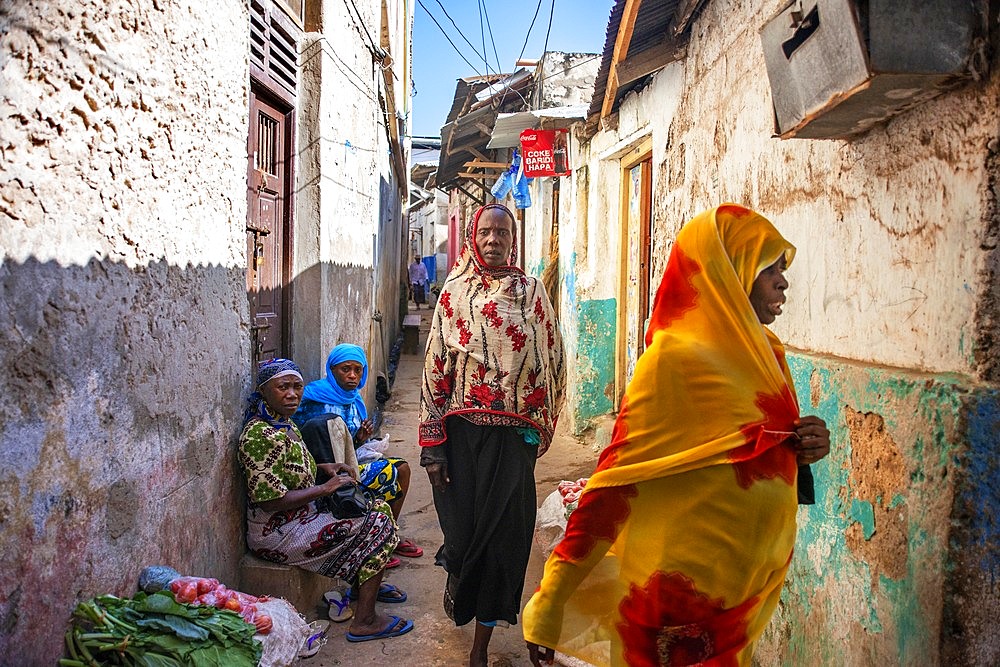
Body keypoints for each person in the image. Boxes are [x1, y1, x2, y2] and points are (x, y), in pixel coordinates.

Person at [522, 204, 830, 666]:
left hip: (738, 609)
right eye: (770, 269)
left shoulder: (766, 355)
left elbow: (753, 449)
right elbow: (612, 487)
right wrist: (549, 603)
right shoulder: (671, 363)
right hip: (673, 605)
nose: (783, 282)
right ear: (730, 272)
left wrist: (806, 446)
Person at [419, 203, 566, 667]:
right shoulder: (453, 293)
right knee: (463, 536)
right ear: (473, 236)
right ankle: (457, 573)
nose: (494, 239)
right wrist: (433, 448)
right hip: (461, 436)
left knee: (505, 541)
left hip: (511, 441)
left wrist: (536, 426)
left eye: (503, 232)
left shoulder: (531, 291)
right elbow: (434, 369)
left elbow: (553, 357)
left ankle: (480, 647)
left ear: (513, 238)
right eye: (486, 231)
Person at [238, 358, 414, 642]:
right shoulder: (260, 435)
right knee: (377, 522)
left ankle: (361, 587)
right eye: (283, 387)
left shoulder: (285, 424)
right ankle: (365, 621)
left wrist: (324, 469)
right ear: (264, 391)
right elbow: (270, 502)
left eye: (297, 387)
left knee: (375, 506)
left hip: (299, 515)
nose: (292, 394)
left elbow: (291, 469)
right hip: (276, 532)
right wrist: (325, 488)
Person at [293, 344, 423, 563]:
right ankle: (374, 541)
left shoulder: (353, 399)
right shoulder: (312, 398)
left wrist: (360, 438)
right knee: (389, 473)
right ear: (332, 370)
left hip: (348, 460)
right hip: (323, 470)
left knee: (403, 469)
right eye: (345, 369)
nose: (352, 376)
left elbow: (346, 442)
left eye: (358, 370)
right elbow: (307, 439)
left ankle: (388, 533)